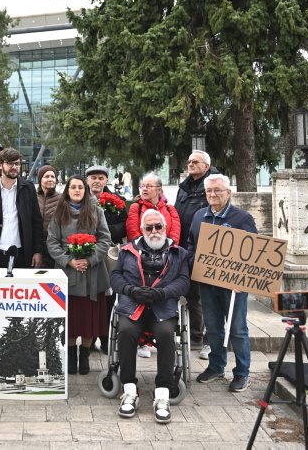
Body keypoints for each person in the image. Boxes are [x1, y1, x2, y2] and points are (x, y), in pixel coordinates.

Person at [110, 208, 191, 424]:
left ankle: (163, 392)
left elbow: (183, 282)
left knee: (166, 334)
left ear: (165, 228)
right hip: (133, 306)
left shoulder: (178, 252)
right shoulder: (127, 250)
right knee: (125, 331)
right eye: (149, 227)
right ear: (141, 229)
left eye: (158, 226)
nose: (154, 231)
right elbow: (115, 277)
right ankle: (129, 390)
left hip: (162, 307)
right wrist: (131, 290)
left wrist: (162, 293)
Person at [188, 174, 257, 392]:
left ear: (228, 192)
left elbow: (254, 253)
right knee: (214, 328)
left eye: (218, 190)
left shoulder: (242, 218)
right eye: (209, 191)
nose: (213, 194)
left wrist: (243, 279)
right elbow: (191, 246)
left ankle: (242, 373)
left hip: (234, 287)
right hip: (207, 285)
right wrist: (195, 265)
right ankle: (216, 366)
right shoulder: (199, 216)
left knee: (237, 329)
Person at [47, 176, 112, 375]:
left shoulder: (96, 211)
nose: (77, 190)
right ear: (67, 190)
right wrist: (69, 260)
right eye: (73, 187)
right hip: (67, 272)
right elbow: (52, 242)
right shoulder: (59, 213)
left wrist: (90, 259)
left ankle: (84, 356)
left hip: (93, 272)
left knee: (89, 320)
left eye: (80, 187)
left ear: (85, 191)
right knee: (71, 320)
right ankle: (71, 356)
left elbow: (105, 239)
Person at [173, 150, 219, 356]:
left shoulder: (214, 185)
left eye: (195, 162)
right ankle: (196, 336)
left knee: (209, 297)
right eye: (189, 161)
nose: (190, 164)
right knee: (192, 295)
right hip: (186, 248)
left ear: (206, 167)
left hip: (207, 248)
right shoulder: (184, 187)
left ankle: (211, 340)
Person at [0, 147, 44, 269]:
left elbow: (36, 222)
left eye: (17, 163)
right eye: (10, 163)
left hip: (22, 255)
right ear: (0, 165)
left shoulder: (28, 189)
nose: (14, 167)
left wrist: (37, 251)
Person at [85, 164, 127, 353]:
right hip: (87, 255)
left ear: (106, 180)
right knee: (89, 298)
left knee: (109, 297)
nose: (96, 181)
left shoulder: (117, 201)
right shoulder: (80, 198)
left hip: (110, 255)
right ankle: (90, 338)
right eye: (93, 177)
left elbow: (123, 227)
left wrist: (103, 232)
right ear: (87, 180)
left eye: (100, 177)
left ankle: (106, 338)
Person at [125, 173, 180, 244]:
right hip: (142, 253)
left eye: (148, 186)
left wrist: (168, 250)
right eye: (142, 186)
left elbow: (175, 235)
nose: (144, 189)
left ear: (159, 190)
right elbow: (132, 234)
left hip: (167, 253)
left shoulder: (170, 209)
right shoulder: (136, 208)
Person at [35, 164, 60, 261]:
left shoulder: (62, 199)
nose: (50, 179)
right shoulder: (33, 197)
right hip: (36, 247)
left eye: (53, 177)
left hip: (55, 247)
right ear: (40, 179)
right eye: (46, 176)